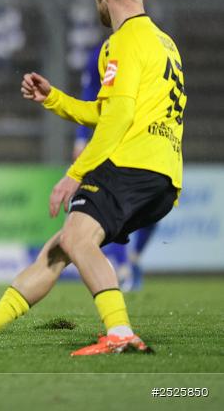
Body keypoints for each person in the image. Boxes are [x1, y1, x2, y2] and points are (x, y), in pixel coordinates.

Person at [0, 0, 185, 355]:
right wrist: (54, 99)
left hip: (131, 165)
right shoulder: (163, 43)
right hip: (164, 174)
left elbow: (117, 120)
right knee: (61, 247)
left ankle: (120, 332)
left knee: (78, 239)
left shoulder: (123, 42)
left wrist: (76, 173)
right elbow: (107, 111)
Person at [75, 42, 156, 292]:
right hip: (113, 140)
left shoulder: (153, 47)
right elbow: (89, 94)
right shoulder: (101, 53)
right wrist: (80, 138)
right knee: (114, 204)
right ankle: (121, 267)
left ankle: (133, 258)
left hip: (147, 138)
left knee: (155, 204)